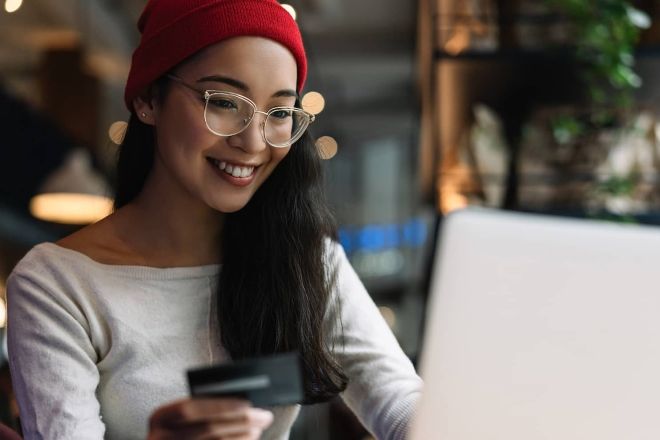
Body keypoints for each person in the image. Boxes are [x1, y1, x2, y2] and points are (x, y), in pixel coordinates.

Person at [5, 0, 423, 439]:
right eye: (224, 102)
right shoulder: (57, 283)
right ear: (149, 98)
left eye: (279, 113)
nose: (254, 141)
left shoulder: (304, 259)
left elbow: (397, 398)